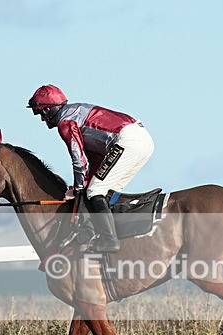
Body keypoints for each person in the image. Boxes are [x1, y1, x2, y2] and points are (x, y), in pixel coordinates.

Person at [27, 84, 154, 253]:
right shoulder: (76, 113)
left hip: (127, 141)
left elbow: (78, 159)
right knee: (104, 191)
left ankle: (110, 240)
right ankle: (107, 232)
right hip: (142, 140)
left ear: (48, 110)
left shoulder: (65, 122)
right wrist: (84, 185)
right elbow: (96, 160)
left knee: (95, 191)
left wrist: (79, 188)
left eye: (39, 113)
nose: (42, 119)